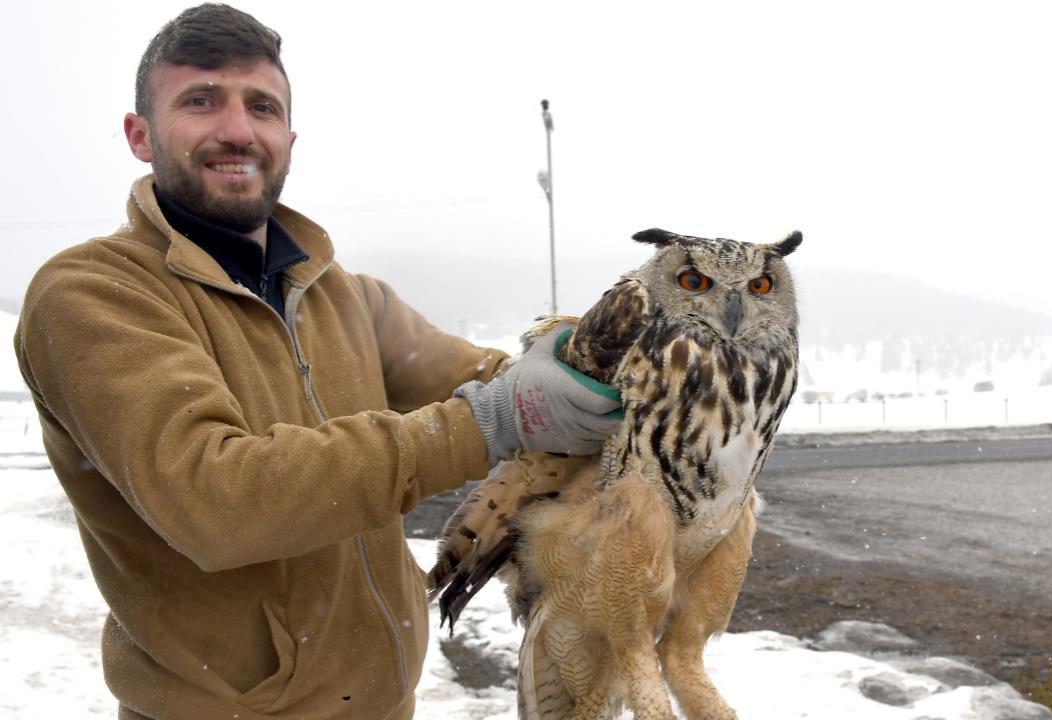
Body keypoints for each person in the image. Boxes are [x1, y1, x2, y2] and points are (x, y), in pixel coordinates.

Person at [13, 4, 620, 719]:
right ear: (140, 135)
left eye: (261, 107)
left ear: (289, 138)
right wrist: (494, 419)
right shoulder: (94, 294)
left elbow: (482, 379)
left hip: (386, 704)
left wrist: (591, 373)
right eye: (200, 101)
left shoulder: (342, 296)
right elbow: (216, 500)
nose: (237, 130)